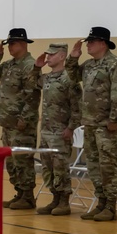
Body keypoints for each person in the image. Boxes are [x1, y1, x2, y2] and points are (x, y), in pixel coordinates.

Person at [67, 27, 117, 221]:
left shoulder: (115, 64)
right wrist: (73, 57)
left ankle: (110, 207)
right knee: (94, 166)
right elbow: (72, 75)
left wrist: (114, 119)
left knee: (107, 165)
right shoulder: (88, 65)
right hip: (90, 124)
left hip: (106, 125)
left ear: (103, 43)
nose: (88, 45)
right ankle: (101, 202)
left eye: (91, 42)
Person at [0, 28, 41, 209]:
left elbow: (33, 95)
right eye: (8, 44)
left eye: (13, 43)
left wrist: (24, 118)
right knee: (11, 161)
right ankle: (19, 193)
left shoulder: (30, 66)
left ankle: (27, 196)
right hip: (8, 122)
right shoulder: (9, 65)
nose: (9, 47)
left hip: (21, 123)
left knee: (23, 159)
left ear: (23, 44)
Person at [34, 43, 81, 216]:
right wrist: (37, 67)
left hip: (61, 132)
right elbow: (33, 83)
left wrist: (71, 127)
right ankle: (54, 198)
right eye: (48, 54)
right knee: (47, 168)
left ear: (62, 56)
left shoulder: (70, 79)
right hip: (46, 131)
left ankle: (64, 202)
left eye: (52, 55)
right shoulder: (47, 78)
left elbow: (77, 107)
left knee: (60, 167)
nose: (48, 57)